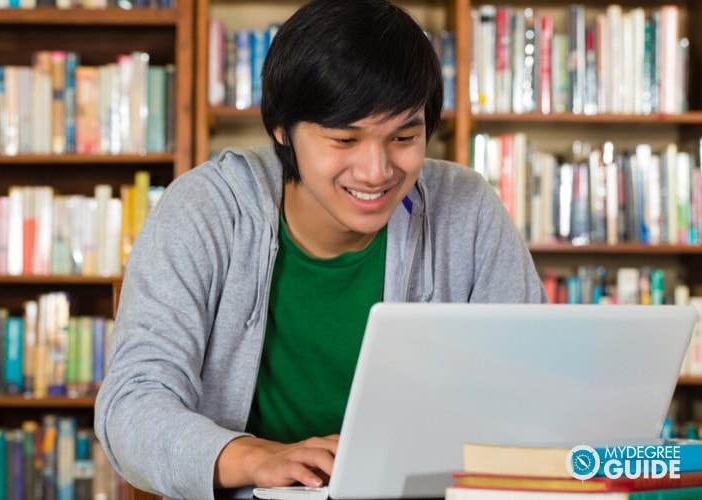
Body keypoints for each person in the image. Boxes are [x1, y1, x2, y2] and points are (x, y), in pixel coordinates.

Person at [94, 0, 547, 497]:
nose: (377, 171)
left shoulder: (468, 209)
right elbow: (131, 406)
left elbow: (530, 388)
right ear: (283, 132)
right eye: (344, 140)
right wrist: (255, 458)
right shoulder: (206, 210)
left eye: (403, 135)